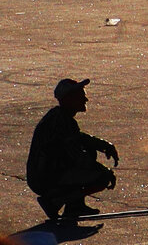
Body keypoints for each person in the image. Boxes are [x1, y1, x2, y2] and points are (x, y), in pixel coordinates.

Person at [26, 78, 119, 220]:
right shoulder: (60, 121)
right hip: (44, 177)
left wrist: (103, 145)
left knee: (89, 151)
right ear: (69, 99)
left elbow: (79, 138)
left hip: (45, 173)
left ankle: (74, 205)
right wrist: (104, 172)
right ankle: (55, 201)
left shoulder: (60, 117)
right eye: (81, 95)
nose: (85, 99)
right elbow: (77, 156)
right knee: (101, 177)